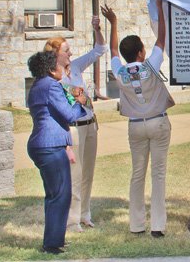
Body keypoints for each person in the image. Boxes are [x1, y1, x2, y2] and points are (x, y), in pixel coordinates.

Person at [101, 0, 175, 238]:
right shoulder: (151, 65)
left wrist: (113, 22)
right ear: (141, 52)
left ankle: (136, 224)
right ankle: (158, 226)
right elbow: (161, 40)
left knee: (137, 174)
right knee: (159, 173)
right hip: (158, 121)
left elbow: (113, 50)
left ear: (126, 55)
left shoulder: (120, 71)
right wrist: (162, 13)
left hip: (135, 126)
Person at [44, 16, 107, 232]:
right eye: (66, 50)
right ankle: (71, 221)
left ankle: (84, 214)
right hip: (73, 129)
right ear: (55, 54)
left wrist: (97, 28)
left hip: (90, 124)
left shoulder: (77, 67)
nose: (70, 53)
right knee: (75, 175)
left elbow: (99, 50)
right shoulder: (54, 78)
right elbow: (69, 103)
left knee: (88, 172)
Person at [26, 51, 87, 254]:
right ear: (52, 70)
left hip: (41, 145)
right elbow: (69, 116)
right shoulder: (51, 85)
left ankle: (53, 240)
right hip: (50, 145)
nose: (62, 69)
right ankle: (52, 244)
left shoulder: (36, 86)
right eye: (59, 66)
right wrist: (80, 102)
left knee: (54, 195)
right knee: (60, 195)